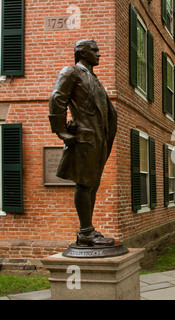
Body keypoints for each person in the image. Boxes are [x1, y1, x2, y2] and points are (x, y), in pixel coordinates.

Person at [48, 39, 117, 246]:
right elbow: (57, 98)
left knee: (92, 184)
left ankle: (88, 229)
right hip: (85, 138)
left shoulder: (92, 77)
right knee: (85, 184)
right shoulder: (71, 72)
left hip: (99, 138)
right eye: (94, 50)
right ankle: (85, 232)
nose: (99, 54)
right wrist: (60, 129)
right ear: (81, 52)